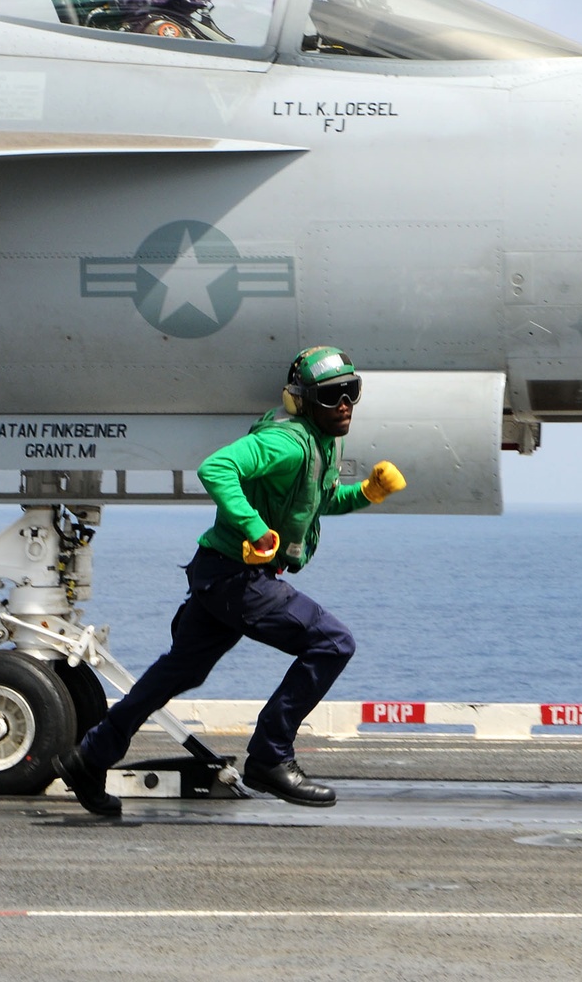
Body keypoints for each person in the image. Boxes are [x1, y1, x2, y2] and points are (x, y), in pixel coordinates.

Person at [54, 345, 406, 815]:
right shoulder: (285, 442)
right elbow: (216, 468)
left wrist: (365, 494)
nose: (344, 404)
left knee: (180, 671)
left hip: (219, 573)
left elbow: (314, 503)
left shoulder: (320, 442)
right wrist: (254, 528)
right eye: (331, 395)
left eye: (351, 392)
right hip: (238, 578)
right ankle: (269, 756)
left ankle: (89, 757)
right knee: (332, 643)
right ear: (301, 400)